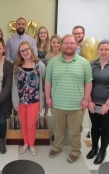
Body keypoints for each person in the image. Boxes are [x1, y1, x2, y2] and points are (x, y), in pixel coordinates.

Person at [45, 34, 92, 162]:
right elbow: (48, 81)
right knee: (58, 129)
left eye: (72, 43)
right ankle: (57, 147)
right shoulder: (53, 62)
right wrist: (47, 97)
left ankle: (75, 151)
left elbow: (88, 82)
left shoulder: (84, 63)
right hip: (57, 104)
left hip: (76, 105)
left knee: (74, 131)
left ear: (76, 45)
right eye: (66, 43)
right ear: (61, 44)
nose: (69, 45)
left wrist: (86, 100)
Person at [12, 41, 45, 156]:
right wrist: (15, 102)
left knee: (31, 125)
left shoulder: (40, 65)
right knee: (23, 123)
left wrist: (44, 101)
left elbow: (44, 83)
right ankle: (25, 143)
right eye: (22, 51)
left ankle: (31, 144)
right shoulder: (17, 67)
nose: (25, 52)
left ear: (31, 49)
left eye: (26, 49)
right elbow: (14, 85)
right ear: (19, 53)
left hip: (34, 101)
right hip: (21, 101)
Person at [86, 39, 109, 164]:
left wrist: (107, 104)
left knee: (105, 129)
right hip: (94, 103)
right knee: (95, 128)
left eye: (107, 49)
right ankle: (94, 147)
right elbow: (88, 83)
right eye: (101, 49)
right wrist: (89, 101)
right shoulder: (92, 64)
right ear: (97, 50)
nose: (104, 52)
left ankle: (102, 151)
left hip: (107, 104)